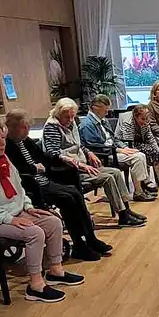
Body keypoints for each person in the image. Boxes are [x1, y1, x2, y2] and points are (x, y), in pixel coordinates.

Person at [0, 117, 84, 303]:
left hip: (13, 212)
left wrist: (28, 207)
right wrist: (9, 219)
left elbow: (19, 189)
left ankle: (55, 270)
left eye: (3, 138)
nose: (2, 142)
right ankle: (35, 285)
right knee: (34, 233)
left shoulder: (4, 160)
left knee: (53, 222)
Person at [5, 109, 112, 262]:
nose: (27, 130)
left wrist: (63, 159)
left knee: (75, 192)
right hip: (30, 187)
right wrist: (35, 168)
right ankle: (79, 244)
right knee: (67, 198)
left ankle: (90, 237)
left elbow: (44, 157)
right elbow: (15, 170)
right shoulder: (8, 146)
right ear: (13, 127)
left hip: (42, 182)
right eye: (24, 127)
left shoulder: (25, 141)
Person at [42, 98, 146, 228]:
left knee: (116, 172)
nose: (70, 120)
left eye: (72, 116)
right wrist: (79, 164)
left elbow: (79, 145)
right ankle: (123, 215)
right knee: (107, 177)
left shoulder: (71, 122)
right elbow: (53, 154)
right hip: (68, 171)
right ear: (58, 113)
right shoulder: (52, 127)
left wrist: (89, 153)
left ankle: (127, 209)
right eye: (66, 117)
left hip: (83, 164)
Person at [79, 95, 158, 202]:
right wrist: (118, 150)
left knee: (139, 154)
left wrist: (124, 147)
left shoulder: (103, 120)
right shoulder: (87, 125)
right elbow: (94, 147)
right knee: (138, 157)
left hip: (113, 150)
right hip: (104, 155)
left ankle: (141, 188)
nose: (107, 112)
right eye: (105, 109)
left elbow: (114, 139)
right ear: (95, 108)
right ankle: (140, 191)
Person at [116, 105, 159, 188]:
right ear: (135, 117)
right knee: (145, 152)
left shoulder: (146, 121)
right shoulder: (128, 123)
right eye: (143, 119)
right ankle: (146, 180)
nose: (146, 121)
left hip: (139, 141)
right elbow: (129, 143)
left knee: (155, 151)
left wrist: (158, 151)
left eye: (147, 119)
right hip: (125, 144)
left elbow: (150, 137)